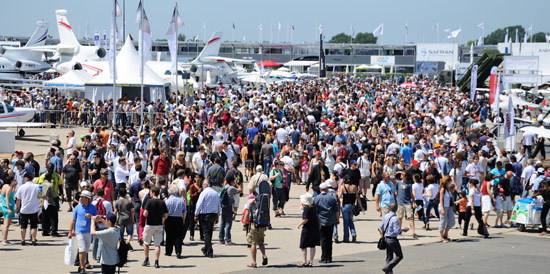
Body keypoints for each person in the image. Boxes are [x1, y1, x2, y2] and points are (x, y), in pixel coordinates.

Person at [68, 190, 98, 274]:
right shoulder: (77, 207)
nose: (80, 198)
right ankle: (82, 267)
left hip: (89, 231)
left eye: (82, 197)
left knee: (86, 250)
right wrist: (70, 231)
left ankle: (81, 265)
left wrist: (91, 216)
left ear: (87, 198)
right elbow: (73, 220)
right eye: (80, 197)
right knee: (82, 249)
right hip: (79, 231)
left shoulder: (93, 207)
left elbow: (98, 218)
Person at [313, 182, 340, 263]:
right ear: (326, 189)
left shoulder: (317, 198)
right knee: (329, 239)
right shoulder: (332, 198)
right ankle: (329, 257)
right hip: (330, 220)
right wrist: (337, 219)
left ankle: (324, 257)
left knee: (323, 239)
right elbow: (336, 210)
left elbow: (314, 209)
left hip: (321, 221)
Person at [142, 186, 168, 268]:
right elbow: (166, 214)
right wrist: (162, 219)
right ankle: (156, 261)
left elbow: (145, 213)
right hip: (159, 225)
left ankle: (146, 259)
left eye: (150, 192)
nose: (149, 194)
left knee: (146, 243)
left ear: (153, 193)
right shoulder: (162, 202)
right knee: (157, 245)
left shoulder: (149, 201)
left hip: (149, 224)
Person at [378, 203, 408, 274]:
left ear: (389, 208)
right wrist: (403, 230)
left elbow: (380, 227)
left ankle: (389, 272)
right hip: (392, 239)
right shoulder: (395, 219)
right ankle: (387, 268)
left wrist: (382, 235)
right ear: (396, 209)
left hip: (386, 238)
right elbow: (396, 231)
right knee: (399, 256)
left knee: (389, 257)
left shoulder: (386, 216)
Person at [194, 180, 221, 258]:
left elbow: (199, 204)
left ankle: (209, 250)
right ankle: (206, 248)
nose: (202, 186)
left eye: (203, 184)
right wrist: (218, 215)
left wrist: (196, 214)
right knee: (210, 232)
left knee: (206, 233)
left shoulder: (204, 193)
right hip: (213, 215)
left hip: (205, 215)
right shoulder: (215, 193)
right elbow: (219, 205)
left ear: (206, 184)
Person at [242, 193, 268, 268]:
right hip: (262, 224)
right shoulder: (263, 201)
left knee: (252, 243)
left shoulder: (250, 201)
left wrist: (244, 224)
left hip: (254, 224)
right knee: (260, 242)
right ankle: (264, 255)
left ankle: (254, 262)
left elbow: (247, 214)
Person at [15, 173, 40, 246]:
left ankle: (22, 240)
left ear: (25, 178)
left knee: (23, 226)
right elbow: (41, 196)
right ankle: (33, 240)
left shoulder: (21, 187)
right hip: (34, 209)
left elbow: (18, 199)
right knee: (34, 226)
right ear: (32, 177)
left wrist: (18, 208)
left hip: (24, 209)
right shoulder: (38, 186)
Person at [338, 175, 364, 243]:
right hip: (352, 206)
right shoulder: (354, 187)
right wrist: (361, 207)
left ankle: (346, 238)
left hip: (345, 206)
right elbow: (358, 198)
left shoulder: (343, 187)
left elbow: (339, 196)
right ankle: (353, 233)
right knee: (351, 221)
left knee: (346, 222)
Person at [164, 185, 187, 258]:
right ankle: (178, 251)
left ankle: (168, 251)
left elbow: (165, 213)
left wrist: (163, 221)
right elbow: (184, 211)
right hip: (178, 219)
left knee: (169, 235)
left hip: (169, 219)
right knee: (178, 236)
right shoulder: (181, 201)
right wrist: (183, 220)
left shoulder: (167, 201)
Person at [297, 192, 319, 267]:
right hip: (314, 227)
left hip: (307, 228)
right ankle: (311, 261)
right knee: (312, 245)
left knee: (303, 245)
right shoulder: (314, 207)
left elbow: (305, 219)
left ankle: (304, 261)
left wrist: (299, 224)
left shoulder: (306, 208)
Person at [218, 177, 239, 245]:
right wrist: (236, 184)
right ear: (232, 181)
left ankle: (221, 239)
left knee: (222, 223)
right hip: (229, 207)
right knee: (228, 224)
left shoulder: (224, 187)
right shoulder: (231, 188)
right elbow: (240, 190)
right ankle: (227, 240)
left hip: (223, 206)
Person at [396, 171, 416, 239]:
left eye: (403, 174)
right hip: (400, 203)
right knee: (400, 217)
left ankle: (413, 232)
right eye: (401, 174)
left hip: (407, 203)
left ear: (406, 176)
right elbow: (396, 192)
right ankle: (399, 230)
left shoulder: (409, 184)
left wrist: (414, 202)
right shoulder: (398, 183)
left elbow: (411, 194)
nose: (401, 175)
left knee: (410, 217)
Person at [438, 177, 456, 242]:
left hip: (448, 207)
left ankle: (445, 233)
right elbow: (441, 199)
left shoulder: (448, 189)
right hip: (443, 206)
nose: (450, 183)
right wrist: (442, 209)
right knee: (443, 222)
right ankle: (441, 237)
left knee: (452, 221)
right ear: (447, 182)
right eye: (450, 182)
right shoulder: (442, 189)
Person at [1, 176, 16, 245]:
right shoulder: (9, 188)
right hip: (8, 206)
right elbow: (7, 198)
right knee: (7, 224)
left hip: (4, 206)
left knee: (5, 224)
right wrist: (9, 208)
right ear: (11, 181)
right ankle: (4, 240)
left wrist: (14, 186)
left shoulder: (5, 186)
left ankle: (4, 239)